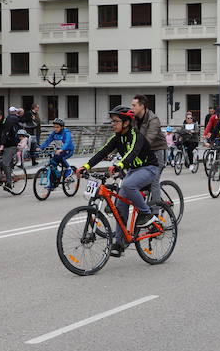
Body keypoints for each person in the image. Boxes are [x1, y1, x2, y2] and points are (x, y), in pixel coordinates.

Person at [78, 106, 160, 256]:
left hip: (149, 168)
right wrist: (86, 166)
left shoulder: (137, 136)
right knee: (120, 205)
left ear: (126, 122)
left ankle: (146, 214)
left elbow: (132, 152)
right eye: (112, 121)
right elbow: (103, 151)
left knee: (128, 185)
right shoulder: (116, 138)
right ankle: (119, 242)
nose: (113, 124)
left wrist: (119, 165)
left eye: (116, 121)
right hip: (134, 170)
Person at [130, 95, 168, 203]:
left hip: (158, 150)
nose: (132, 108)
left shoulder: (153, 119)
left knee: (154, 181)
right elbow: (127, 137)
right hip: (145, 152)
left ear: (142, 106)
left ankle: (156, 211)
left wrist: (133, 152)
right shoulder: (134, 119)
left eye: (134, 105)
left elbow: (148, 140)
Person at [39, 118, 74, 188]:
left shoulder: (66, 133)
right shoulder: (54, 133)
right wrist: (40, 147)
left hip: (68, 150)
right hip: (59, 151)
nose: (55, 128)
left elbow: (67, 143)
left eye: (57, 127)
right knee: (52, 164)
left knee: (61, 157)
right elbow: (47, 141)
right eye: (54, 127)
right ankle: (52, 183)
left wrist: (62, 149)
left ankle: (69, 169)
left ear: (62, 127)